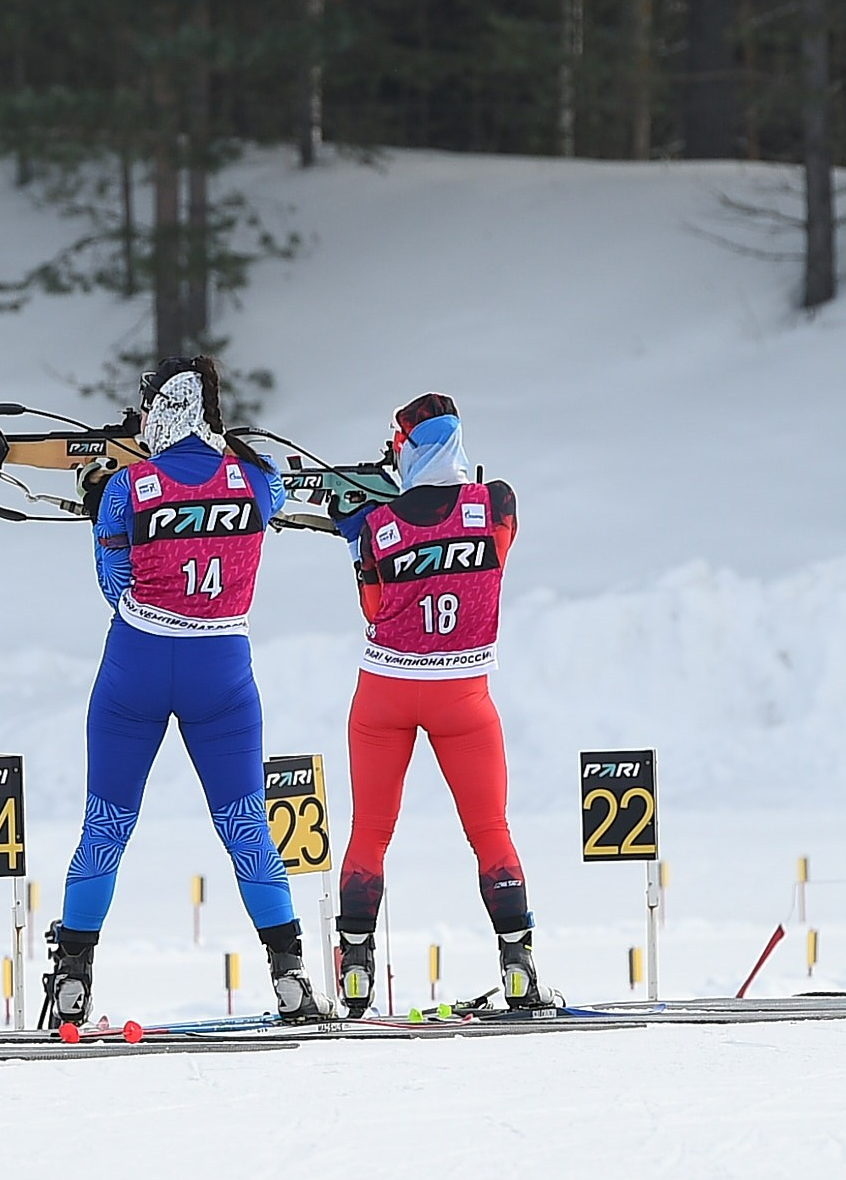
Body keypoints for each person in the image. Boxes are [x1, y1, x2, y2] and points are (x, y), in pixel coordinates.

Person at [39, 358, 324, 1027]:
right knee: (248, 828)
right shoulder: (254, 483)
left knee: (105, 830)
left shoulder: (127, 488)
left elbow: (114, 585)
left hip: (136, 663)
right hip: (221, 669)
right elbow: (274, 486)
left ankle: (74, 978)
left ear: (160, 410)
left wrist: (100, 502)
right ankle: (290, 978)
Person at [326, 392, 549, 1015]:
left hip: (385, 692)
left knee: (369, 832)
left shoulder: (379, 526)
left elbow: (373, 606)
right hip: (463, 694)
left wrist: (360, 527)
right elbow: (486, 524)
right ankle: (518, 967)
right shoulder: (495, 502)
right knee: (490, 831)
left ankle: (357, 969)